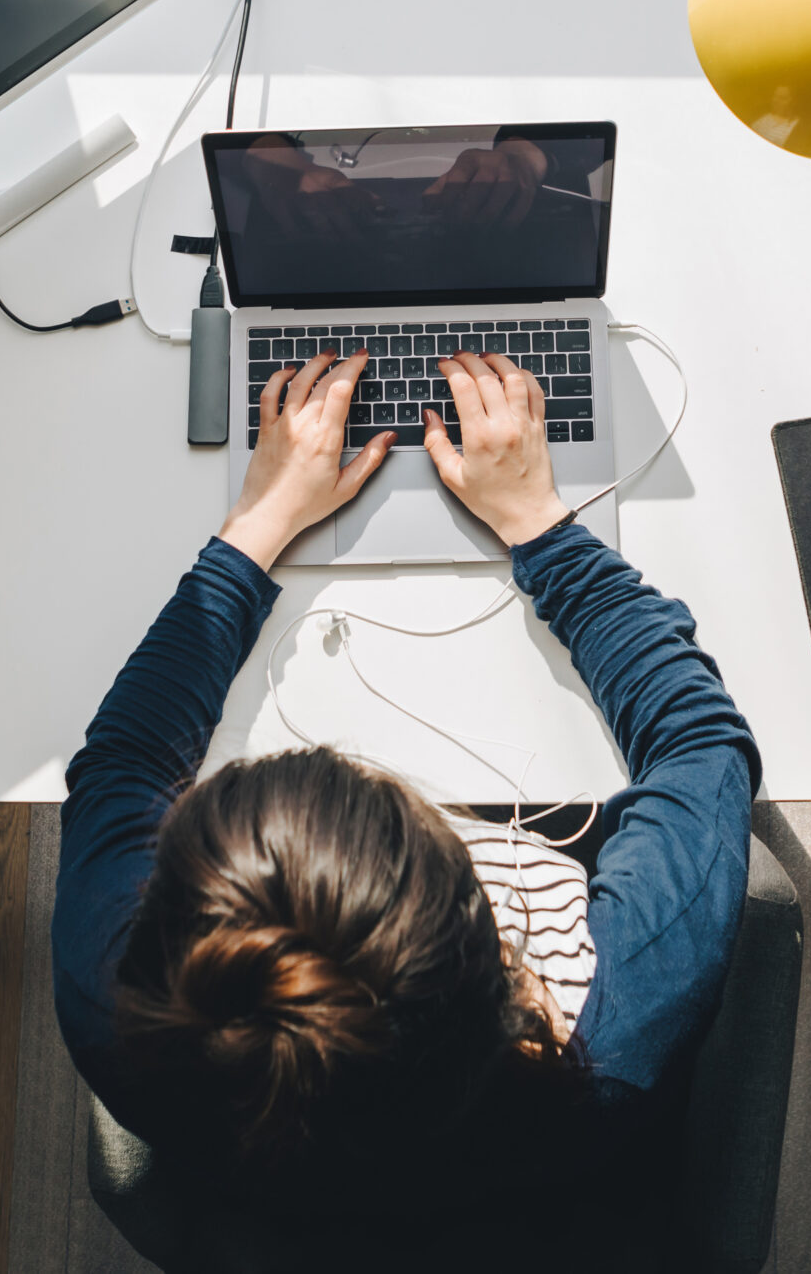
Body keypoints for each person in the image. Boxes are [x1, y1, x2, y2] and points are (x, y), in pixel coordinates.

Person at [53, 346, 759, 1266]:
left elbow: (126, 758)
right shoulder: (608, 1039)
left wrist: (261, 520)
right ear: (489, 931)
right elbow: (701, 742)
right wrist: (541, 526)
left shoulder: (115, 999)